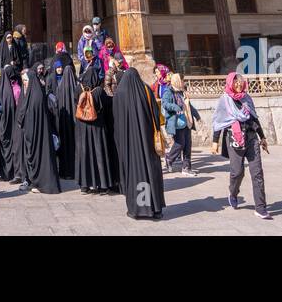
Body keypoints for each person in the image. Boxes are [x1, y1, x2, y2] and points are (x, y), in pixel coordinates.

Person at [213, 72, 270, 219]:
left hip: (251, 139)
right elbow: (219, 122)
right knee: (237, 172)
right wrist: (215, 142)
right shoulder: (224, 100)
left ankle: (261, 207)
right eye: (235, 82)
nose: (239, 84)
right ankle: (233, 192)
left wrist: (262, 137)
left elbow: (254, 118)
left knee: (257, 173)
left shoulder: (247, 98)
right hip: (234, 139)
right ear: (230, 83)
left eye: (240, 81)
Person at [112, 67, 165, 220]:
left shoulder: (119, 95)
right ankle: (155, 209)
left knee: (136, 174)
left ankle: (140, 209)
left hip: (130, 145)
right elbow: (156, 115)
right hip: (148, 143)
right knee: (151, 173)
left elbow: (116, 123)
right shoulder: (146, 90)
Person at [17, 68, 61, 194]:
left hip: (36, 136)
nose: (24, 83)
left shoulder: (35, 97)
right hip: (35, 135)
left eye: (25, 81)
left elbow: (32, 118)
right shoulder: (33, 94)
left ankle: (41, 184)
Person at [74, 66, 114, 194]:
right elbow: (106, 107)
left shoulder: (77, 89)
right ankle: (102, 185)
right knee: (99, 154)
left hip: (82, 128)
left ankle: (85, 185)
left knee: (84, 154)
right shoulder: (99, 91)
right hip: (97, 128)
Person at [47, 52, 78, 180]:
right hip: (56, 112)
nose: (59, 69)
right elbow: (48, 92)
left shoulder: (67, 79)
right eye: (57, 67)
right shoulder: (52, 78)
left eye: (61, 67)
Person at [162, 73, 195, 175]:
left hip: (187, 122)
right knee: (180, 144)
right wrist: (175, 107)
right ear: (177, 81)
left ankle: (186, 168)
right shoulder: (169, 91)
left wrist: (197, 116)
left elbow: (189, 105)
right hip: (176, 123)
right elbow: (165, 103)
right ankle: (169, 158)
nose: (183, 82)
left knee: (188, 146)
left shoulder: (182, 92)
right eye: (182, 80)